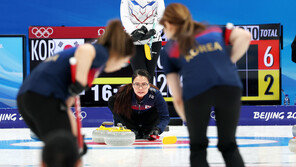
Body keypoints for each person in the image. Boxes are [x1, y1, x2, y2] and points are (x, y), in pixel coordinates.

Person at [17, 19, 135, 154]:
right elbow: (85, 50)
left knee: (63, 147)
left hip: (27, 98)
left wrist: (77, 138)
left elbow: (66, 106)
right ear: (119, 54)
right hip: (42, 97)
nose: (122, 66)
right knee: (65, 149)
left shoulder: (90, 66)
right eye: (125, 61)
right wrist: (80, 82)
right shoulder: (101, 53)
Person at [159, 3, 251, 167]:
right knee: (229, 145)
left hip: (196, 92)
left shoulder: (170, 50)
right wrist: (229, 62)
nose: (164, 33)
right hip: (230, 87)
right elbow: (245, 36)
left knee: (198, 148)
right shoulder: (213, 30)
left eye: (164, 28)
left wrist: (191, 120)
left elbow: (178, 97)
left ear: (170, 24)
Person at [108, 69, 170, 139]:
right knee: (113, 101)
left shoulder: (155, 94)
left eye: (144, 84)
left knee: (161, 106)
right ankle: (133, 129)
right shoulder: (125, 94)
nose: (140, 88)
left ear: (149, 85)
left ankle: (148, 130)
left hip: (148, 121)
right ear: (132, 85)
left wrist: (158, 129)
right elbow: (113, 104)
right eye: (137, 84)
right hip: (130, 120)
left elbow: (165, 117)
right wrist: (121, 126)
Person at [120, 0, 165, 83]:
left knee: (149, 77)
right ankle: (136, 95)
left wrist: (149, 30)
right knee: (140, 76)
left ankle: (150, 95)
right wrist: (134, 31)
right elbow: (125, 17)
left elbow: (161, 18)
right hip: (134, 41)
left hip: (153, 40)